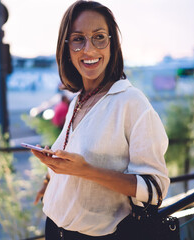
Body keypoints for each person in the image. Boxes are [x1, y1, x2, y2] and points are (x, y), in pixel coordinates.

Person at [31, 1, 170, 239]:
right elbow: (76, 156)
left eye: (99, 37)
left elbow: (155, 190)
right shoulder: (78, 100)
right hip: (54, 228)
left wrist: (86, 171)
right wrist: (51, 175)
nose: (89, 49)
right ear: (66, 47)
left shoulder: (131, 102)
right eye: (78, 39)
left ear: (112, 44)